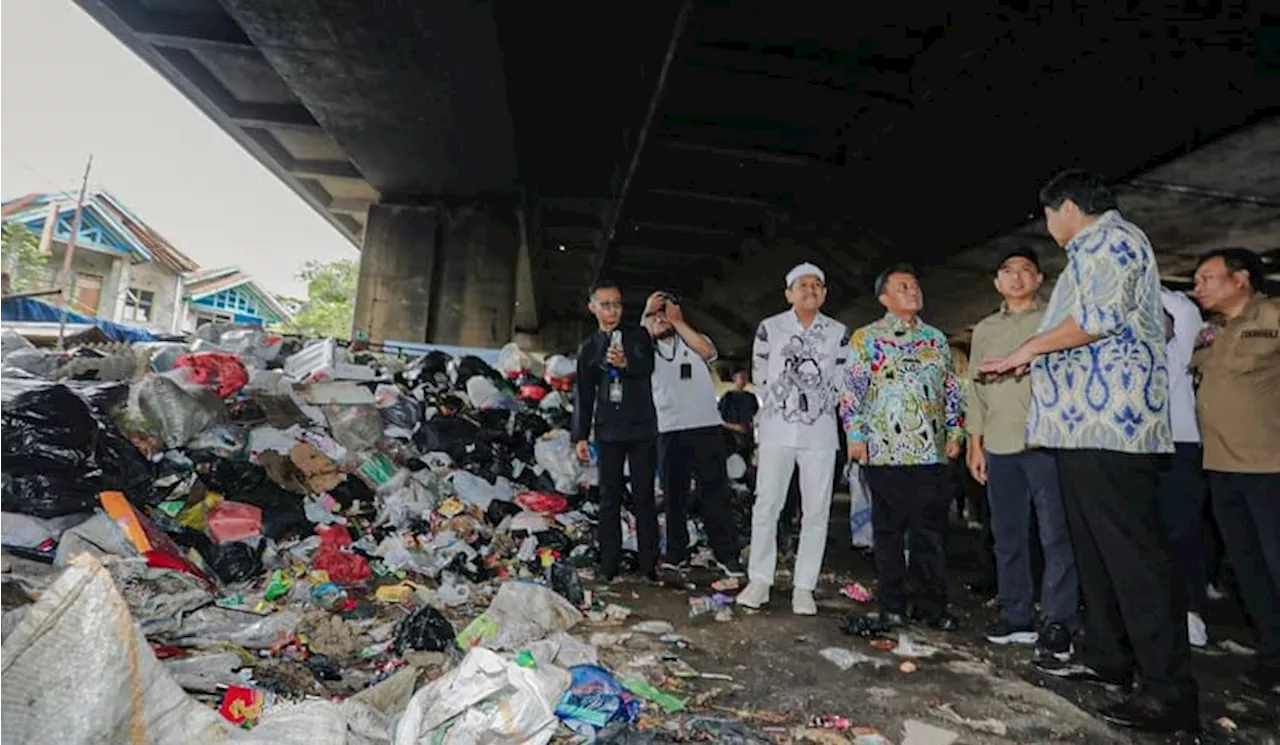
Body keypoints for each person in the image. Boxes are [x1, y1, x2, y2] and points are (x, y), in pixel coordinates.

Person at [978, 169, 1197, 734]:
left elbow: (1097, 320)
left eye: (1048, 215)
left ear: (1066, 207)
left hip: (1112, 424)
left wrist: (1028, 347)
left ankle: (1166, 690)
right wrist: (1037, 355)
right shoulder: (1091, 249)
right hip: (1080, 427)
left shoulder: (1110, 241)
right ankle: (1109, 658)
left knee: (1132, 557)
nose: (1049, 227)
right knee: (1097, 555)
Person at [967, 247, 1077, 659]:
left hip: (1046, 443)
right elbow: (974, 390)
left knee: (1055, 537)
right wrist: (974, 443)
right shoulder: (984, 329)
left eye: (1025, 271)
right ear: (997, 282)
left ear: (1038, 280)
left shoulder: (1057, 321)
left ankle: (1058, 622)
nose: (1016, 278)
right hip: (999, 443)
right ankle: (1016, 616)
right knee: (1007, 536)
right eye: (1007, 272)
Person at [842, 263, 964, 631]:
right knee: (889, 532)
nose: (913, 291)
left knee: (931, 533)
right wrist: (855, 435)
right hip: (885, 449)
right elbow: (851, 392)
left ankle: (931, 605)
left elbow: (952, 390)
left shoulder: (937, 340)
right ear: (884, 297)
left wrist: (955, 432)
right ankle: (892, 605)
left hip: (931, 452)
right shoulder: (867, 338)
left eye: (914, 285)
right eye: (903, 286)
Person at [735, 262, 848, 615]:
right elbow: (760, 372)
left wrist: (815, 404)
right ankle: (760, 581)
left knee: (816, 510)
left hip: (821, 431)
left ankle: (804, 587)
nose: (810, 290)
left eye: (817, 285)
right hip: (777, 429)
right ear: (788, 293)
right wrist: (783, 406)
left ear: (825, 293)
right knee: (767, 504)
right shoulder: (771, 328)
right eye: (802, 285)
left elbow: (843, 379)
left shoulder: (838, 332)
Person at [1191, 247, 1280, 696]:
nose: (1198, 288)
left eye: (1206, 278)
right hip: (1222, 468)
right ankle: (1272, 655)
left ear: (1240, 279)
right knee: (1249, 569)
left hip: (1270, 466)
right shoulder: (1210, 333)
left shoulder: (1275, 315)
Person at [639, 290, 745, 578]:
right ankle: (676, 554)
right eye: (654, 316)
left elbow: (708, 352)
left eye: (664, 314)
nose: (659, 320)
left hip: (706, 428)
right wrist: (647, 313)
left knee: (715, 492)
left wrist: (679, 322)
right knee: (674, 497)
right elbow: (633, 344)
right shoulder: (647, 352)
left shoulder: (695, 341)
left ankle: (727, 555)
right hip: (669, 431)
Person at [572, 280, 659, 582]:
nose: (613, 310)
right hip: (608, 432)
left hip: (641, 429)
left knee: (644, 496)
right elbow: (583, 394)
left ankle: (649, 566)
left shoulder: (638, 337)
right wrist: (580, 436)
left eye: (617, 304)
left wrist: (626, 362)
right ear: (593, 307)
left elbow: (647, 367)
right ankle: (609, 565)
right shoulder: (589, 347)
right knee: (609, 499)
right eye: (606, 304)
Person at [1158, 286, 1210, 649]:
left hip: (1180, 448)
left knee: (1182, 533)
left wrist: (1149, 283)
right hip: (1140, 451)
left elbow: (1188, 313)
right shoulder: (1132, 357)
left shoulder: (1178, 352)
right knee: (1151, 535)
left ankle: (1192, 612)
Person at [718, 368, 759, 460]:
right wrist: (735, 427)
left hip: (747, 441)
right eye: (741, 377)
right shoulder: (727, 398)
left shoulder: (751, 398)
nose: (744, 380)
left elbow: (756, 416)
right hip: (730, 441)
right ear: (734, 378)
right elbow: (719, 420)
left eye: (746, 377)